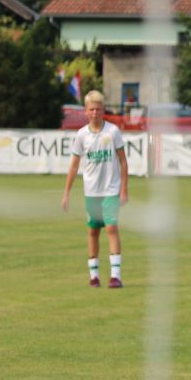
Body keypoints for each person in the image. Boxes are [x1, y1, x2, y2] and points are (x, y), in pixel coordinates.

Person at [61, 90, 129, 288]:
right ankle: (94, 276)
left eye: (98, 109)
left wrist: (124, 189)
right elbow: (74, 165)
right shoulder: (82, 135)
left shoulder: (113, 132)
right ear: (85, 111)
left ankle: (115, 276)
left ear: (103, 110)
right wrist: (66, 192)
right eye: (91, 109)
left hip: (110, 190)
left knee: (111, 228)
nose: (95, 113)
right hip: (91, 191)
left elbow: (123, 162)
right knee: (93, 231)